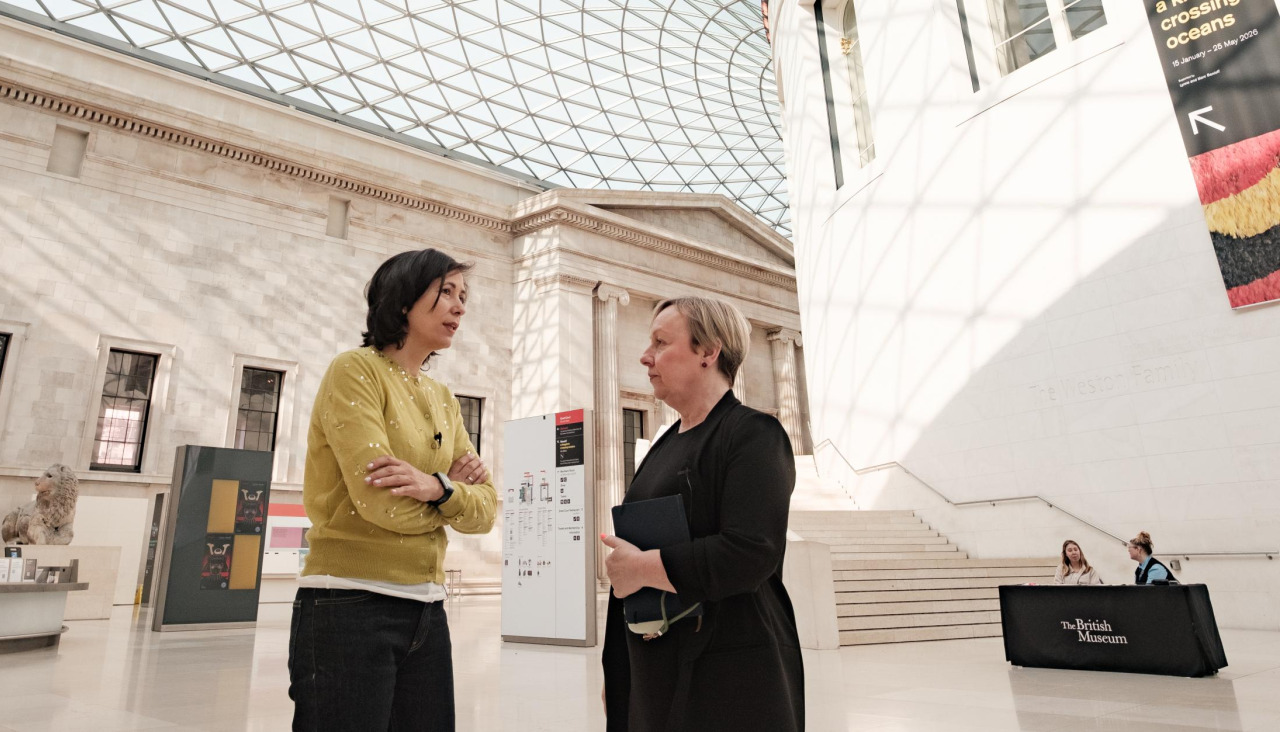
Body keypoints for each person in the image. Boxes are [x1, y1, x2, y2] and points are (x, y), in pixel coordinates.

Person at [288, 249, 497, 732]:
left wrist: (434, 489)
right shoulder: (355, 371)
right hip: (348, 607)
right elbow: (380, 504)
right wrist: (450, 494)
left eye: (464, 296)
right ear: (403, 299)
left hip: (427, 608)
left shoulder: (442, 397)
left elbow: (486, 511)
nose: (460, 306)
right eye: (446, 291)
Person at [600, 296, 804, 732]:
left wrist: (640, 567)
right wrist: (620, 674)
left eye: (660, 342)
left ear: (709, 352)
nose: (644, 356)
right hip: (656, 669)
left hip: (729, 675)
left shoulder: (753, 434)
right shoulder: (662, 444)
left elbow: (750, 551)